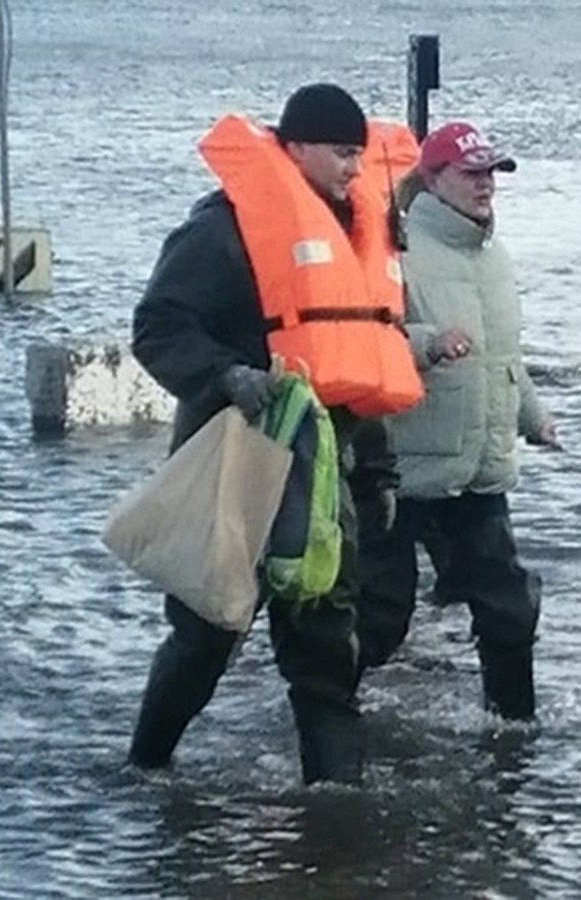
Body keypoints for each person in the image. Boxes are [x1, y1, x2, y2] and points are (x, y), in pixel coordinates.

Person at [128, 84, 424, 785]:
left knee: (326, 648)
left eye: (360, 153)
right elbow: (157, 327)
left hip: (325, 481)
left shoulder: (360, 236)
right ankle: (145, 768)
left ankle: (336, 799)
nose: (356, 169)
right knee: (205, 638)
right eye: (341, 153)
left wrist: (376, 477)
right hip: (236, 464)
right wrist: (228, 375)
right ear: (294, 148)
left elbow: (361, 366)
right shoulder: (221, 229)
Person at [355, 122, 555, 721]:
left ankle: (513, 729)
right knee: (382, 617)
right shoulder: (397, 251)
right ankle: (323, 708)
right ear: (434, 179)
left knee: (510, 610)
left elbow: (505, 357)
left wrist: (533, 418)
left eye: (492, 173)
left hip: (481, 469)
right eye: (472, 173)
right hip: (405, 467)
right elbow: (368, 338)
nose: (486, 185)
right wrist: (428, 344)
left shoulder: (495, 257)